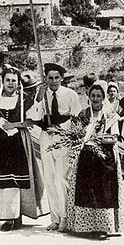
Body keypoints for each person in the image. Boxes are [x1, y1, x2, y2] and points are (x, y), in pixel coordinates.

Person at [0, 65, 47, 231]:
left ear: (18, 83)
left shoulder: (24, 98)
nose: (10, 83)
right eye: (8, 80)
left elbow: (34, 114)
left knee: (17, 178)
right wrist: (1, 123)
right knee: (3, 178)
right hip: (0, 142)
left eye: (14, 80)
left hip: (18, 140)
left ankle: (17, 216)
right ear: (2, 82)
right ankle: (8, 216)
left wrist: (39, 97)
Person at [26, 63, 81, 232]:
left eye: (57, 78)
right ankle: (55, 219)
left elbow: (77, 117)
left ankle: (65, 217)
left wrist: (72, 137)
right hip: (46, 136)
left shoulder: (70, 94)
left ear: (62, 78)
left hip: (63, 137)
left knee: (61, 178)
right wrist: (39, 98)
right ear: (46, 79)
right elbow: (32, 116)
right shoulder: (42, 95)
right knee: (49, 179)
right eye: (50, 78)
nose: (53, 81)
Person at [65, 84, 124, 240]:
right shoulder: (83, 114)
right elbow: (76, 134)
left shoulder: (109, 114)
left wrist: (102, 139)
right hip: (86, 156)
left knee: (103, 190)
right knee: (86, 189)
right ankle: (85, 226)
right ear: (89, 97)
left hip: (105, 157)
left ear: (103, 97)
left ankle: (103, 227)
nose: (96, 99)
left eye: (99, 96)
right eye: (93, 96)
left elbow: (115, 137)